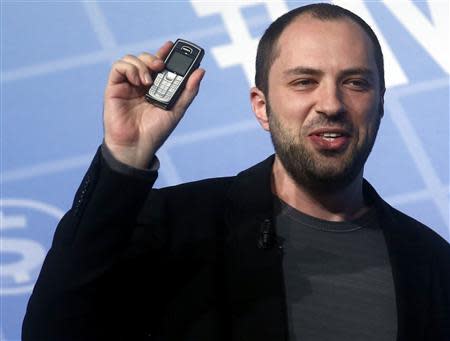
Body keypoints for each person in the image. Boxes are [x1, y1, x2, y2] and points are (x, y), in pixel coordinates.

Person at [22, 3, 449, 341]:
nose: (331, 104)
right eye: (304, 82)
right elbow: (54, 329)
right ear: (261, 107)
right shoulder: (173, 225)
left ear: (380, 103)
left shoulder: (430, 263)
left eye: (355, 82)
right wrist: (124, 159)